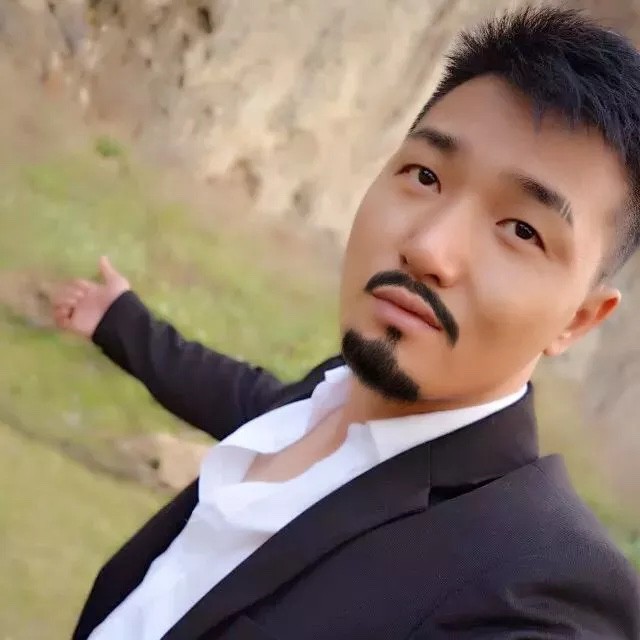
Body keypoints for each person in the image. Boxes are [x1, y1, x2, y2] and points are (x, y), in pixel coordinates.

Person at [53, 6, 640, 639]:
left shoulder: (542, 590)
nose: (429, 248)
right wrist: (117, 319)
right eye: (425, 176)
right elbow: (236, 392)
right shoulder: (325, 401)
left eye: (521, 230)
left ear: (578, 321)